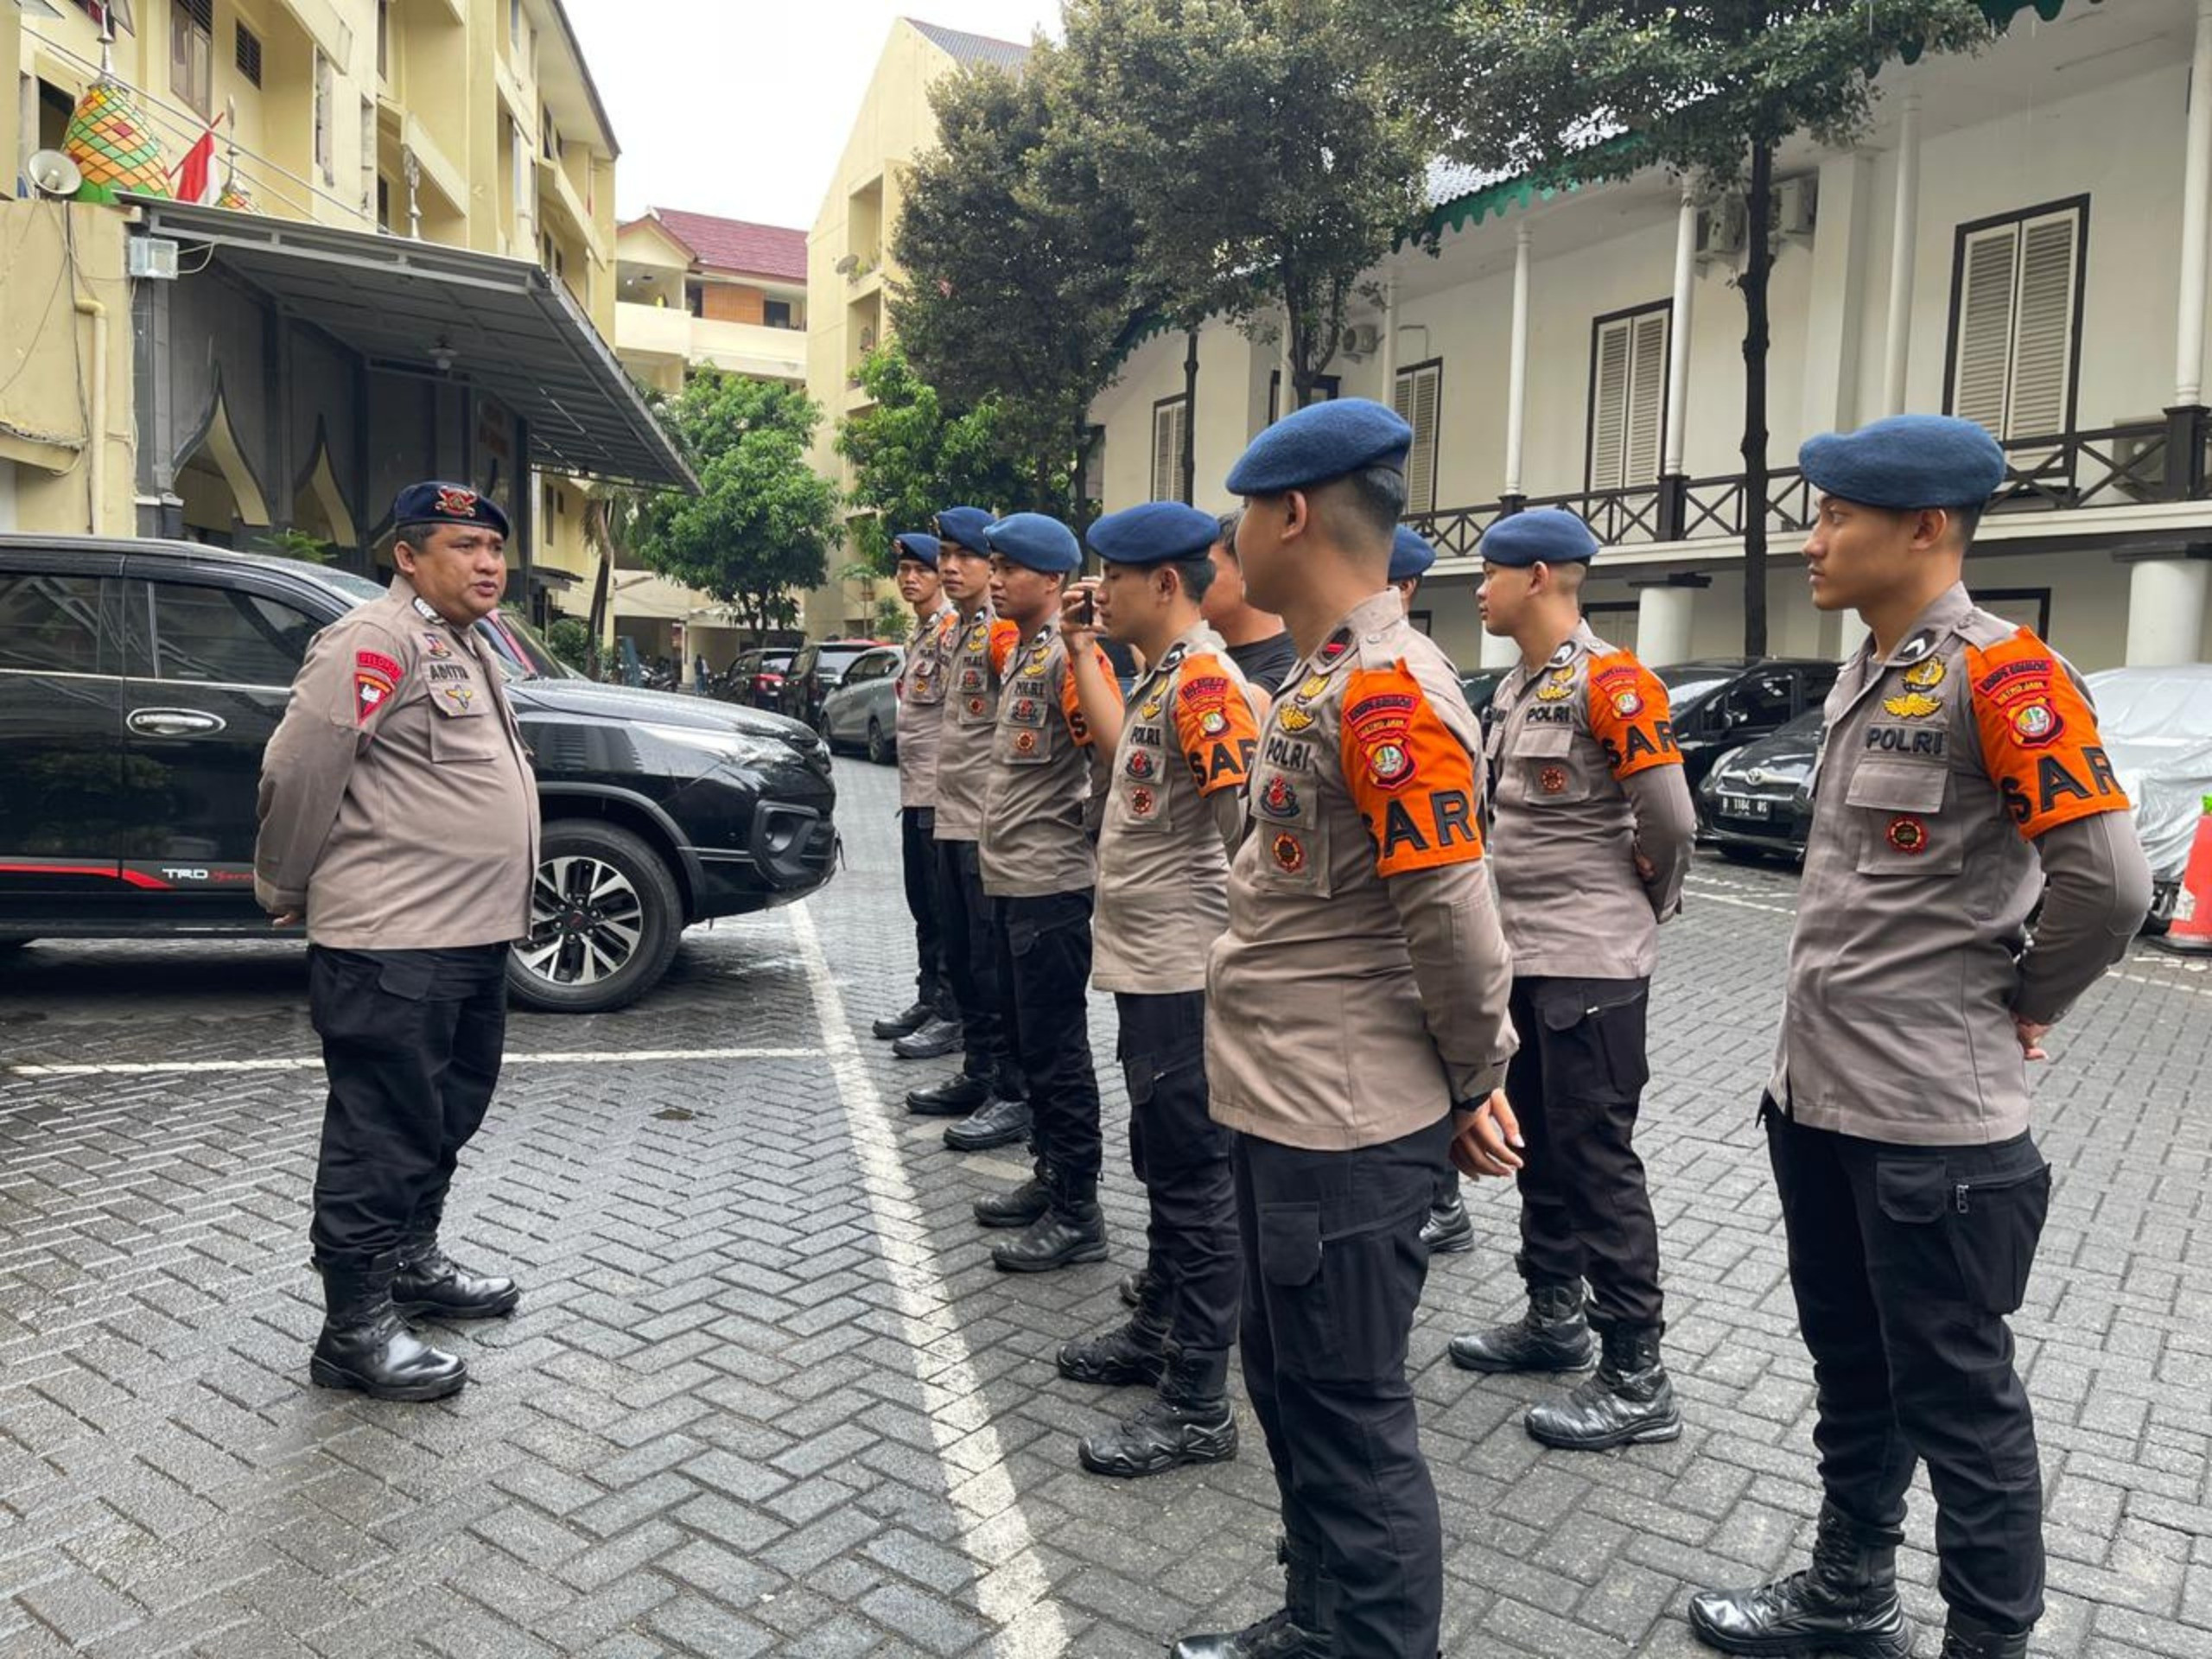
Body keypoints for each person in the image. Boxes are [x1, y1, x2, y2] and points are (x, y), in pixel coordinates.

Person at [1688, 416, 2152, 1659]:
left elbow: (2109, 885)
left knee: (1961, 1403)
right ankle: (1849, 1593)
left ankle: (1987, 1642)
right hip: (1820, 1099)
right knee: (1854, 1367)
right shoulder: (1869, 671)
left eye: (1837, 515)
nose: (1813, 538)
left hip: (1931, 1128)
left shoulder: (2003, 675)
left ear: (1926, 527)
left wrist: (2027, 1002)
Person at [1171, 402, 1520, 1659]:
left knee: (1353, 1424)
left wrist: (1476, 1079)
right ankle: (1321, 1620)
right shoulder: (1322, 676)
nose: (1228, 546)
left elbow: (1456, 923)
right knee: (1293, 1394)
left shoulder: (1385, 693)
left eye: (1240, 520)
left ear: (1293, 514)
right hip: (1288, 1106)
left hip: (1344, 1126)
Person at [254, 482, 539, 1402]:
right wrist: (285, 881)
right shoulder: (372, 639)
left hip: (468, 933)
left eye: (495, 547)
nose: (488, 564)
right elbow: (300, 765)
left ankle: (412, 1265)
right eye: (464, 546)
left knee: (443, 1116)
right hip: (395, 940)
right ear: (407, 557)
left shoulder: (463, 642)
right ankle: (353, 1331)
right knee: (380, 1132)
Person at [1446, 507, 1696, 1452]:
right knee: (1539, 1147)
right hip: (1523, 958)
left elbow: (1670, 822)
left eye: (1491, 573)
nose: (1480, 589)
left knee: (1596, 1162)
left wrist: (1639, 906)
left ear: (1540, 576)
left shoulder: (1613, 682)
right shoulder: (1516, 688)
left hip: (1590, 964)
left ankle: (1636, 1373)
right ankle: (1554, 1317)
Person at [1055, 500, 1262, 1478]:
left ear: (1165, 583)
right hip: (1150, 974)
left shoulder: (1209, 688)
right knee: (1165, 1166)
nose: (1101, 591)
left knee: (1196, 1185)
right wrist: (1080, 649)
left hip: (1186, 975)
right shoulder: (1164, 680)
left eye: (1116, 577)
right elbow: (1118, 759)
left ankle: (1197, 1402)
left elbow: (1247, 844)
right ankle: (1161, 1332)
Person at [970, 512, 1124, 1271]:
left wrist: (1082, 837)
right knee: (1032, 1046)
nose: (995, 580)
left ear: (1055, 580)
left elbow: (1110, 757)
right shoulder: (1028, 651)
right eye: (994, 566)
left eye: (1010, 568)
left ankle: (1078, 1209)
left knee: (1058, 1053)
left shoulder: (1070, 660)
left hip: (1050, 886)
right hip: (1013, 879)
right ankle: (1051, 1172)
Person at [906, 508, 1027, 1133]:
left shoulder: (1004, 635)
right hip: (949, 817)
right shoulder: (962, 631)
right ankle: (979, 1072)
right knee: (962, 952)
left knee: (988, 962)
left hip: (984, 824)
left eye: (966, 557)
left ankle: (1010, 1088)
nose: (949, 567)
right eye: (945, 555)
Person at [1386, 524, 1483, 1261]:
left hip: (1419, 917)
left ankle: (1441, 1204)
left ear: (1407, 589)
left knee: (1430, 1057)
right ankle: (1439, 1200)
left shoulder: (1410, 676)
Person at [871, 531, 963, 1059]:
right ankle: (929, 998)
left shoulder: (953, 633)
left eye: (920, 570)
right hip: (915, 794)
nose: (909, 578)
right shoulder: (923, 635)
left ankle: (951, 1011)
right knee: (923, 905)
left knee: (945, 911)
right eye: (903, 570)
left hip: (942, 795)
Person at [1201, 509, 1300, 694]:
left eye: (1206, 570)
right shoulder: (1219, 661)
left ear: (1247, 568)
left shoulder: (1290, 666)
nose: (1195, 581)